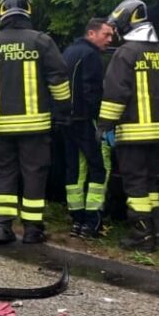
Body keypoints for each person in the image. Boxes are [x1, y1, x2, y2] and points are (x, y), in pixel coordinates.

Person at [0, 0, 71, 245]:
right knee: (34, 174)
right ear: (28, 11)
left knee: (3, 174)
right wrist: (62, 113)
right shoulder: (42, 42)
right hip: (36, 127)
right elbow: (59, 81)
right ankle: (33, 230)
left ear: (1, 12)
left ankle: (2, 227)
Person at [98, 0, 159, 251]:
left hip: (133, 133)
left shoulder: (125, 54)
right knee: (150, 185)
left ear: (127, 23)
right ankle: (156, 233)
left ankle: (141, 236)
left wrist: (104, 126)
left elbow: (116, 95)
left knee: (135, 185)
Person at [62, 18, 116, 238]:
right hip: (86, 120)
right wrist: (102, 120)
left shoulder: (69, 52)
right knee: (99, 167)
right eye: (106, 34)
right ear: (91, 34)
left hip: (66, 120)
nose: (110, 40)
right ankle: (93, 222)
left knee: (74, 169)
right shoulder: (91, 55)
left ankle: (77, 220)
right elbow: (91, 91)